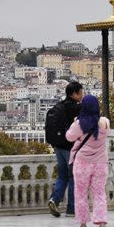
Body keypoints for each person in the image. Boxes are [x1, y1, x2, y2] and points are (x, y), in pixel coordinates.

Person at [65, 93, 110, 227]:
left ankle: (83, 226)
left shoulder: (79, 124)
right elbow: (106, 131)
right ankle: (102, 225)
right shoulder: (104, 122)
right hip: (100, 163)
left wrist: (76, 123)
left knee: (81, 193)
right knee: (99, 193)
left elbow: (69, 136)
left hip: (82, 163)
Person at [46, 80, 83, 218]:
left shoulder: (59, 106)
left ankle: (54, 200)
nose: (82, 94)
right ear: (74, 93)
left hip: (58, 147)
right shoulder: (76, 108)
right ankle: (71, 208)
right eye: (80, 92)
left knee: (62, 176)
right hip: (70, 148)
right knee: (73, 177)